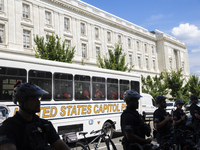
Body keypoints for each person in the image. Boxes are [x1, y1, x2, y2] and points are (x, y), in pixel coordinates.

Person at [0, 81, 70, 150]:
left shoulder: (44, 124)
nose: (38, 102)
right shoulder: (8, 127)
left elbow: (59, 145)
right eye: (33, 99)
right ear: (21, 102)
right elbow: (7, 147)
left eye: (38, 98)